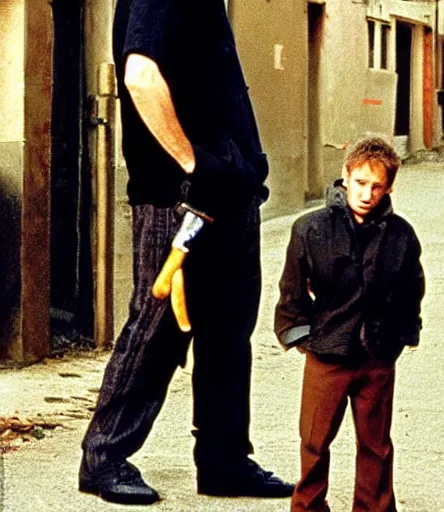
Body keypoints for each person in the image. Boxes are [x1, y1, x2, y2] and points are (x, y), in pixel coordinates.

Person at [78, 0, 294, 505]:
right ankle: (103, 456)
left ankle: (224, 461)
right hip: (180, 197)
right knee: (157, 325)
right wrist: (193, 162)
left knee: (228, 331)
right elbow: (140, 75)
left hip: (229, 192)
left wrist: (229, 170)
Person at [275, 137, 425, 512]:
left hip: (377, 354)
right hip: (327, 352)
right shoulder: (311, 229)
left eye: (377, 186)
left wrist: (402, 335)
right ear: (345, 177)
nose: (366, 193)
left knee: (376, 443)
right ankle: (308, 506)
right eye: (360, 183)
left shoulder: (401, 235)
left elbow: (411, 288)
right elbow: (291, 289)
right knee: (314, 439)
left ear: (389, 187)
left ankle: (374, 507)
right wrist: (303, 336)